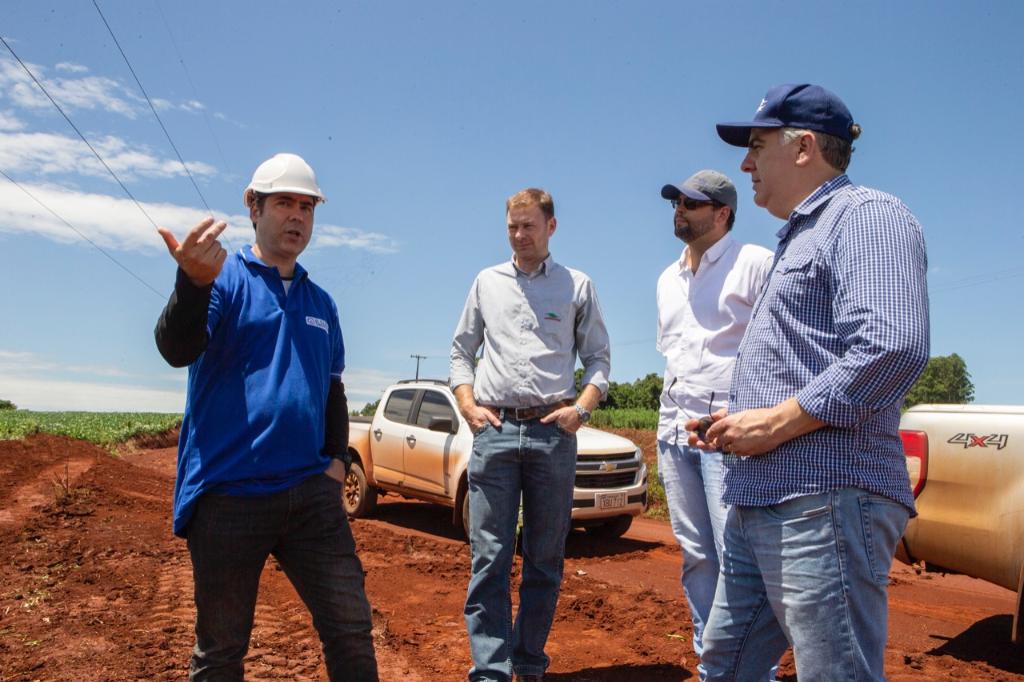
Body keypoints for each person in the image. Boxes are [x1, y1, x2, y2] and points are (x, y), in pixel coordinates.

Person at [690, 84, 930, 681]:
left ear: (802, 148)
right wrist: (738, 426)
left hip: (824, 497)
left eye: (756, 145)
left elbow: (891, 343)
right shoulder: (799, 235)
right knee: (725, 666)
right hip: (763, 497)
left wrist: (774, 422)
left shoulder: (866, 216)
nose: (744, 163)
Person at [154, 153, 378, 681]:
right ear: (253, 207)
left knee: (350, 627)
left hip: (309, 498)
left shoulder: (321, 302)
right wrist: (192, 285)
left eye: (307, 206)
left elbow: (333, 389)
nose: (297, 216)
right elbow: (175, 347)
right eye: (284, 203)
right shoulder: (222, 278)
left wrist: (334, 466)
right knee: (222, 649)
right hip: (229, 496)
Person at [450, 188, 611, 682]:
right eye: (512, 227)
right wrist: (469, 405)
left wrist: (579, 411)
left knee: (544, 558)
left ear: (551, 227)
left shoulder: (576, 285)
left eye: (529, 227)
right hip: (495, 432)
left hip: (551, 434)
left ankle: (528, 662)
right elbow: (461, 352)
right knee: (489, 558)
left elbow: (599, 360)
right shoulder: (486, 282)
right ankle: (491, 670)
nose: (520, 236)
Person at [655, 170, 773, 681]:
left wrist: (753, 417)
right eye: (677, 201)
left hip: (728, 435)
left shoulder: (756, 263)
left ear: (722, 213)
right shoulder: (667, 278)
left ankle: (750, 669)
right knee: (697, 554)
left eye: (692, 203)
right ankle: (713, 663)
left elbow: (778, 348)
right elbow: (673, 355)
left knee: (737, 557)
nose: (679, 209)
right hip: (674, 431)